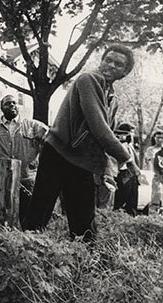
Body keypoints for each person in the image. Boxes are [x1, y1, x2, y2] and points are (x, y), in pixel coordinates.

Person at [23, 45, 140, 243]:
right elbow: (99, 128)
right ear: (101, 61)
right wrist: (128, 159)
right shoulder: (89, 79)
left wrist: (105, 169)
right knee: (39, 213)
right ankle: (22, 257)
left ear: (125, 72)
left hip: (82, 161)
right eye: (108, 60)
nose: (110, 65)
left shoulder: (112, 97)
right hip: (58, 153)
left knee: (84, 223)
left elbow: (104, 135)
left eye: (118, 64)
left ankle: (83, 266)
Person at [0, 94, 48, 224]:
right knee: (2, 221)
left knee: (28, 219)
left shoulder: (32, 125)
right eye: (7, 103)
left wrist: (44, 134)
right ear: (2, 108)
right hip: (2, 182)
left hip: (27, 179)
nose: (12, 105)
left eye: (14, 103)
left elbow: (51, 135)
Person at [112, 123, 139, 216]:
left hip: (131, 174)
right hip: (122, 173)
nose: (133, 135)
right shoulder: (120, 145)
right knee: (121, 197)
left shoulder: (130, 145)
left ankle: (131, 215)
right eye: (131, 132)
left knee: (132, 198)